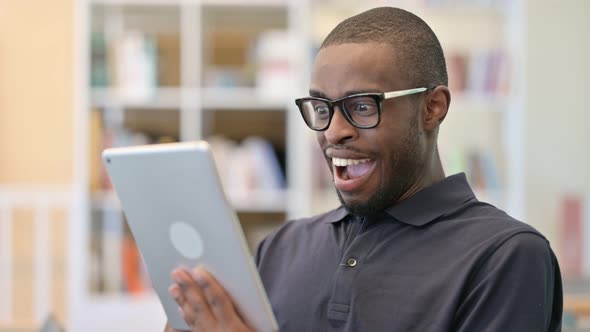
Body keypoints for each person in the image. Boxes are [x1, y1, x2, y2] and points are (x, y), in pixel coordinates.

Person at [166, 6, 563, 332]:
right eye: (322, 108)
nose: (334, 133)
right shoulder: (280, 248)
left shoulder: (506, 256)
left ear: (432, 108)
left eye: (361, 106)